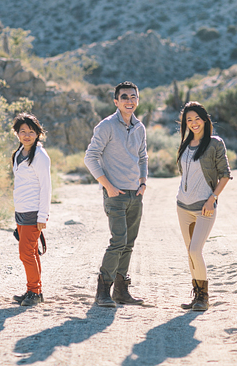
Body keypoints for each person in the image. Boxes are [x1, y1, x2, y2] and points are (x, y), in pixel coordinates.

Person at [84, 81, 148, 307]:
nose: (129, 101)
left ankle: (121, 292)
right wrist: (107, 186)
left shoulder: (139, 127)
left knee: (129, 243)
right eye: (124, 97)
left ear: (137, 100)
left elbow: (143, 157)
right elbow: (90, 157)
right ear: (116, 101)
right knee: (118, 241)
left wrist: (143, 183)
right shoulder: (106, 126)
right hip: (115, 194)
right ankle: (102, 291)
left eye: (133, 97)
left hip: (135, 194)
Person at [176, 102, 232, 311]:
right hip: (182, 206)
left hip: (204, 207)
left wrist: (212, 198)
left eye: (196, 118)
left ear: (205, 119)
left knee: (196, 249)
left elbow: (225, 174)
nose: (193, 123)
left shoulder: (215, 144)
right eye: (189, 120)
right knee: (190, 252)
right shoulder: (185, 144)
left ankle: (204, 297)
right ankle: (196, 295)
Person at [11, 113, 51, 307]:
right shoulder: (19, 153)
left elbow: (46, 187)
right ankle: (33, 291)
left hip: (33, 212)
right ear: (17, 133)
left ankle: (34, 292)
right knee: (31, 252)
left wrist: (43, 216)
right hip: (21, 210)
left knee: (26, 254)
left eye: (31, 132)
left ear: (38, 134)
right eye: (23, 131)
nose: (27, 135)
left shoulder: (40, 156)